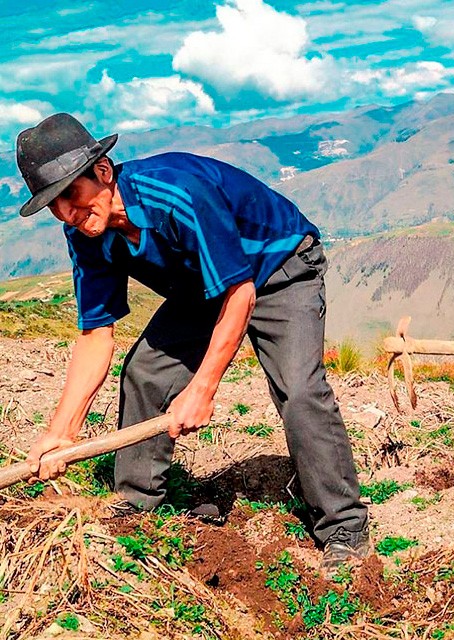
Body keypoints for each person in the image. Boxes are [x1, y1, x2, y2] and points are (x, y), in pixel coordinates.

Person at [15, 113, 369, 568]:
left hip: (281, 269)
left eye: (71, 194)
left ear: (103, 172)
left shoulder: (176, 194)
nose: (67, 212)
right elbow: (95, 333)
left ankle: (344, 527)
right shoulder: (86, 233)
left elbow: (241, 294)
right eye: (53, 205)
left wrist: (201, 389)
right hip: (203, 286)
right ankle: (136, 506)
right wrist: (61, 431)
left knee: (299, 390)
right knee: (144, 374)